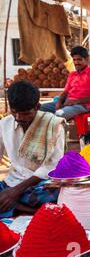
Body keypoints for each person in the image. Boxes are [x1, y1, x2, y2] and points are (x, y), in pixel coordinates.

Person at [0, 81, 65, 218]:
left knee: (61, 192)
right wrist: (11, 190)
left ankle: (16, 207)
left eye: (25, 113)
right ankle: (28, 210)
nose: (18, 118)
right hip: (12, 181)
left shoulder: (54, 125)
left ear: (37, 107)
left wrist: (15, 192)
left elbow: (52, 166)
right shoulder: (4, 124)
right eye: (14, 112)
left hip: (40, 184)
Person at [40, 46, 90, 120]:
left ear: (86, 59)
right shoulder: (72, 75)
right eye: (74, 60)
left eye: (79, 59)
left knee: (58, 115)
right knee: (39, 110)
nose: (76, 62)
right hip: (67, 103)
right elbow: (65, 92)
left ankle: (55, 129)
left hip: (83, 105)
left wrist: (75, 101)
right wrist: (59, 102)